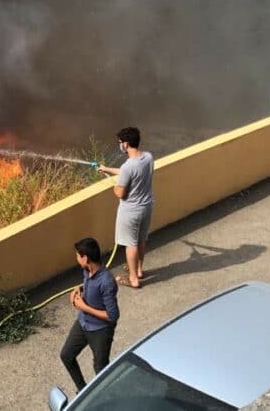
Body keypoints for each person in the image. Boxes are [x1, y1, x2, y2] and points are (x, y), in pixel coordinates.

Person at [97, 126, 154, 288]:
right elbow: (126, 172)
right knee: (141, 240)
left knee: (131, 244)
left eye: (120, 142)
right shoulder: (148, 157)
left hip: (130, 212)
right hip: (146, 207)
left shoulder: (129, 166)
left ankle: (133, 279)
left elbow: (120, 193)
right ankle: (139, 270)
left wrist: (113, 185)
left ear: (126, 144)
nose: (120, 145)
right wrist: (106, 169)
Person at [60, 237, 120, 392]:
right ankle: (83, 391)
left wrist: (84, 307)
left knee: (100, 369)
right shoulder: (87, 270)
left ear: (85, 258)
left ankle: (106, 396)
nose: (76, 258)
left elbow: (112, 316)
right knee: (66, 356)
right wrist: (79, 289)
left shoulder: (107, 281)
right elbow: (89, 286)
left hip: (100, 330)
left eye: (77, 255)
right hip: (83, 324)